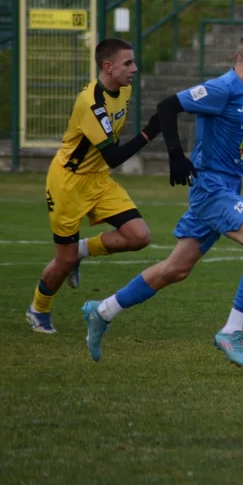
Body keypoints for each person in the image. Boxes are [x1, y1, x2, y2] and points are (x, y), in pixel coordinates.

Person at [81, 32, 243, 368]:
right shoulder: (222, 88)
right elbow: (167, 106)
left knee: (175, 270)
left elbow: (235, 143)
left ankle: (103, 310)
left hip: (226, 188)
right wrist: (176, 155)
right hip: (211, 190)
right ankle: (231, 331)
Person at [27, 38, 165, 334]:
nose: (135, 69)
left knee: (139, 236)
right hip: (68, 183)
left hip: (98, 179)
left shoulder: (124, 89)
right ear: (107, 66)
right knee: (61, 261)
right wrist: (150, 132)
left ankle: (81, 251)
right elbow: (114, 156)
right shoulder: (90, 103)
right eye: (128, 63)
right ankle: (38, 308)